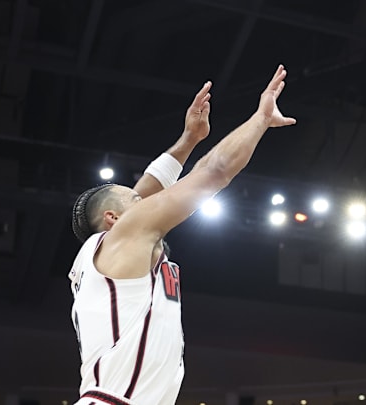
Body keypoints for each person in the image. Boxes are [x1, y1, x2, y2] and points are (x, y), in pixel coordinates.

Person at [68, 64, 296, 405]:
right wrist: (260, 118)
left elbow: (146, 192)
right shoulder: (122, 237)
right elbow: (214, 171)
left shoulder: (106, 254)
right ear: (113, 218)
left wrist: (189, 140)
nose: (144, 198)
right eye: (134, 199)